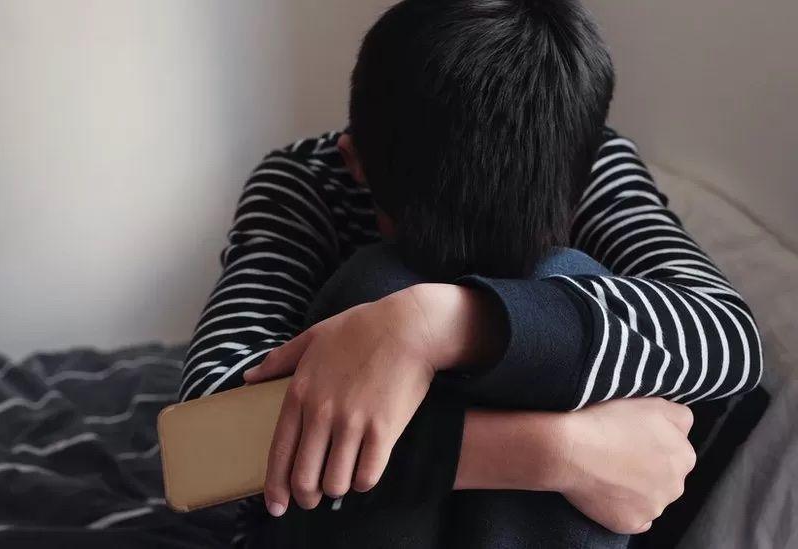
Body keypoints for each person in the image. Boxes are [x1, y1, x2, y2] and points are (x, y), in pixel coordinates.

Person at [180, 0, 764, 546]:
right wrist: (555, 453)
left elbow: (730, 338)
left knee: (563, 283)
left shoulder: (584, 161)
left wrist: (439, 324)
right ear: (352, 158)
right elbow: (199, 446)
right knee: (380, 284)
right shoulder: (305, 182)